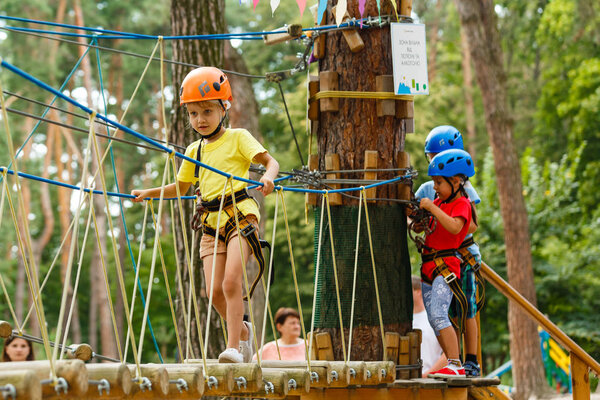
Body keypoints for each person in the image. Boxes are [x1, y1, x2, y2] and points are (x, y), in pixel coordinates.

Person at [131, 67, 279, 363]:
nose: (200, 119)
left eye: (207, 111)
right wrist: (149, 193)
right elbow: (181, 187)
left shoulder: (238, 137)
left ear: (224, 108)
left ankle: (235, 348)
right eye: (194, 113)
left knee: (230, 282)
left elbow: (269, 161)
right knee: (213, 292)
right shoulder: (193, 151)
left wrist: (269, 178)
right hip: (211, 226)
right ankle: (244, 334)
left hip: (240, 217)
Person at [415, 125, 483, 377]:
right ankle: (452, 360)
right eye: (431, 158)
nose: (434, 163)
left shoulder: (462, 193)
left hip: (460, 255)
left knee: (466, 307)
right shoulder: (433, 191)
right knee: (441, 315)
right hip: (435, 260)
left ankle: (469, 360)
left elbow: (466, 226)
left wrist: (438, 214)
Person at [412, 276, 445, 377]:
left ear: (418, 292)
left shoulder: (435, 318)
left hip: (429, 381)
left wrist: (427, 375)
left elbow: (448, 355)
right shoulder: (402, 320)